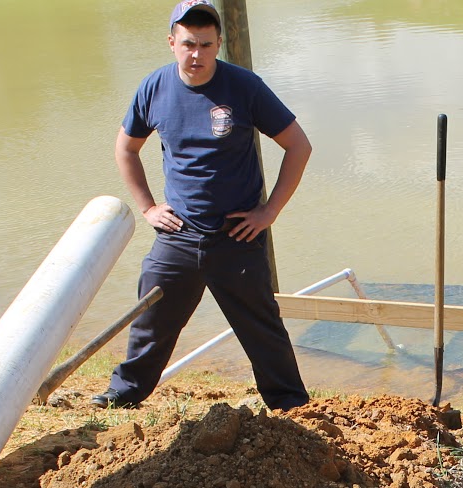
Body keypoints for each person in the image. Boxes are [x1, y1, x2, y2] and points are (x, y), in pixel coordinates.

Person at [95, 0, 312, 412]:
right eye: (189, 44)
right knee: (152, 317)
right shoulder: (154, 87)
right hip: (178, 234)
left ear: (218, 43)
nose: (197, 55)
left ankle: (291, 405)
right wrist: (147, 208)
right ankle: (123, 393)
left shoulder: (245, 87)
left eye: (207, 45)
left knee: (262, 326)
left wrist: (269, 213)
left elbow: (298, 146)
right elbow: (126, 149)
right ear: (172, 42)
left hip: (236, 235)